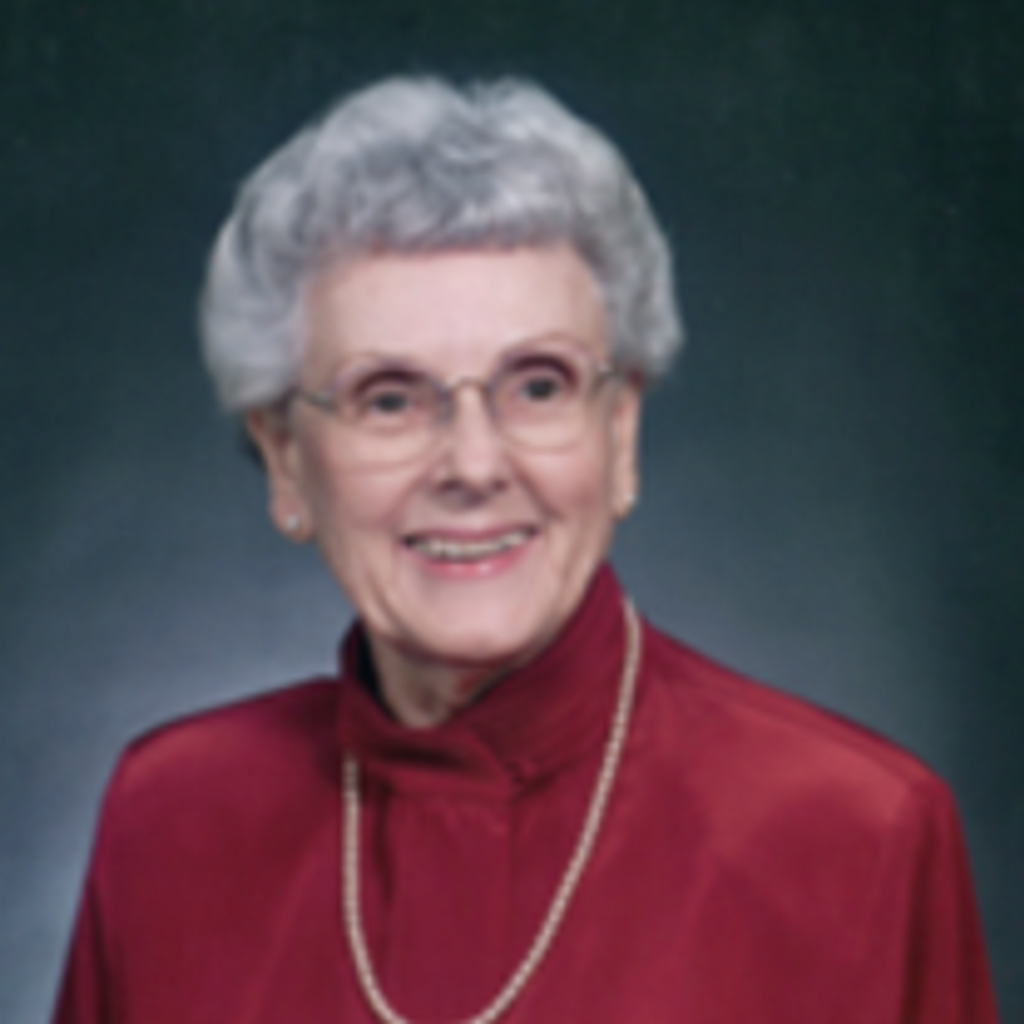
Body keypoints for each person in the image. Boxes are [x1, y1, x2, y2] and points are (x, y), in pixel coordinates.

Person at [53, 76, 997, 1024]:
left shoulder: (857, 833)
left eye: (538, 386)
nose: (473, 465)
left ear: (620, 430)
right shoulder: (169, 821)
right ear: (286, 459)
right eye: (390, 398)